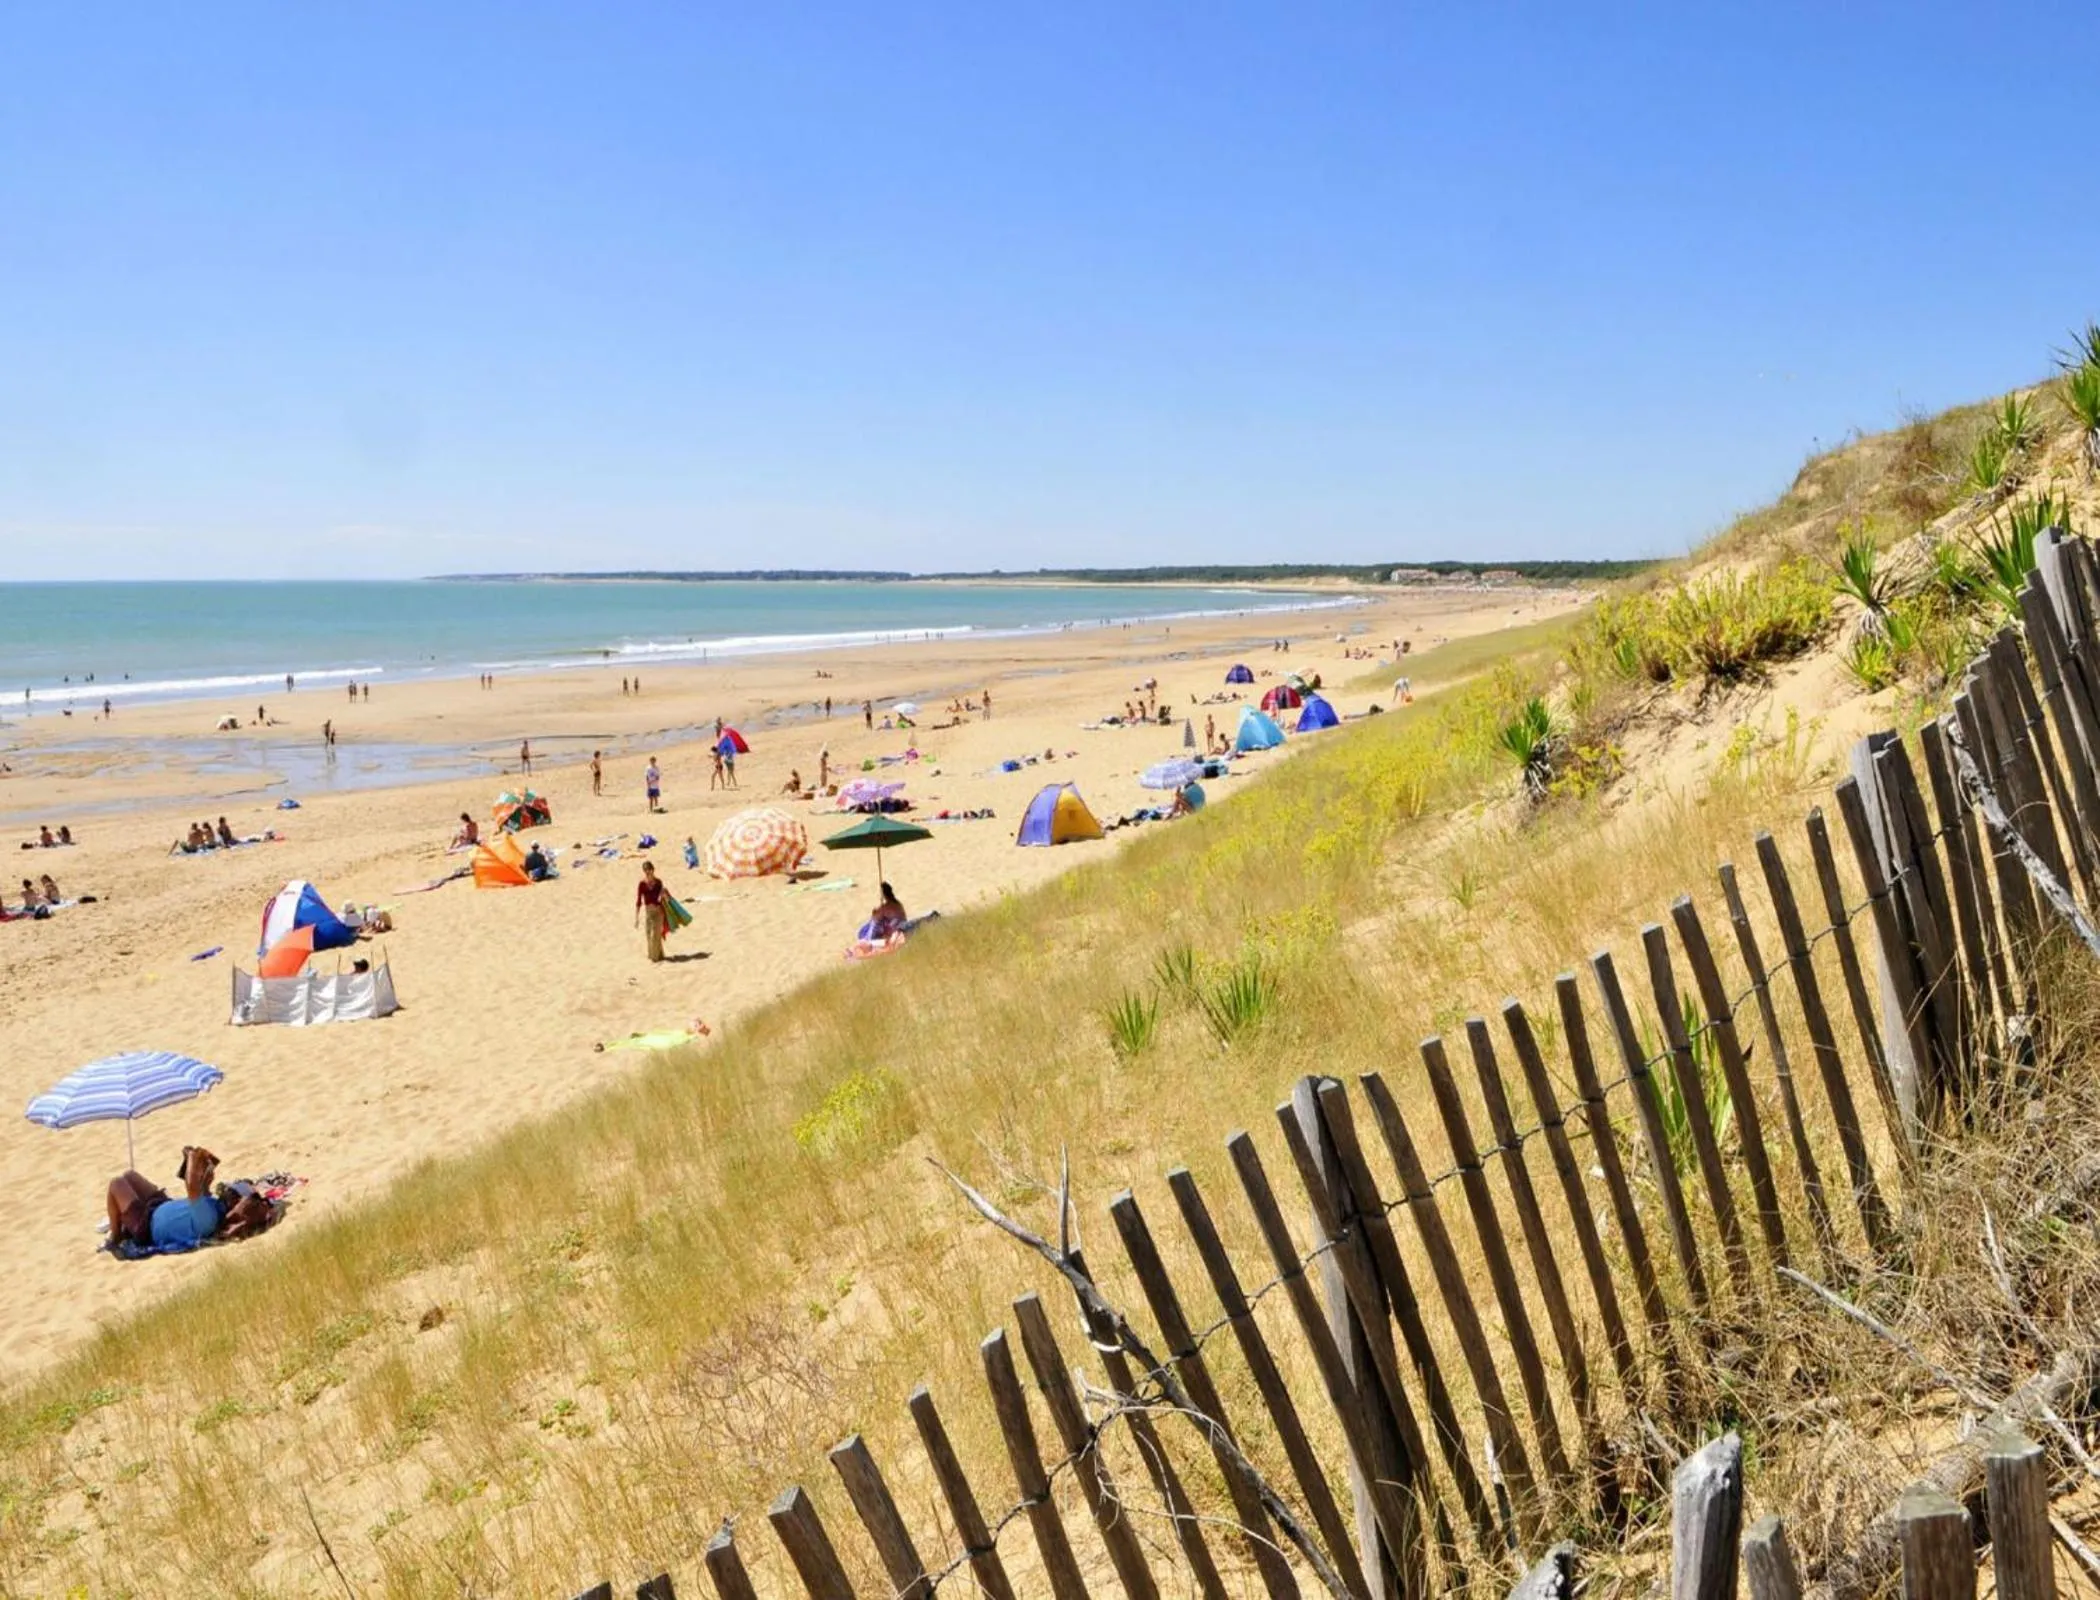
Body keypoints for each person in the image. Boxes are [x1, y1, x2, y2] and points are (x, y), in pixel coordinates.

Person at [107, 1145, 222, 1252]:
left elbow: (192, 1187)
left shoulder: (208, 1219)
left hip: (146, 1227)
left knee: (116, 1183)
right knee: (130, 1175)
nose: (226, 1189)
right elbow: (199, 1195)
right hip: (159, 1205)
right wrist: (206, 1180)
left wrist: (192, 1157)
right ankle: (122, 1223)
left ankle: (116, 1237)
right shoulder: (213, 1207)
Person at [635, 860, 668, 962]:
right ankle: (659, 955)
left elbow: (663, 898)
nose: (648, 873)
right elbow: (639, 901)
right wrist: (636, 918)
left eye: (649, 870)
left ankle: (655, 959)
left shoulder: (658, 882)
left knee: (655, 935)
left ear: (653, 870)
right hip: (648, 912)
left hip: (658, 912)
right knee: (649, 935)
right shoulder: (642, 884)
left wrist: (664, 894)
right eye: (645, 871)